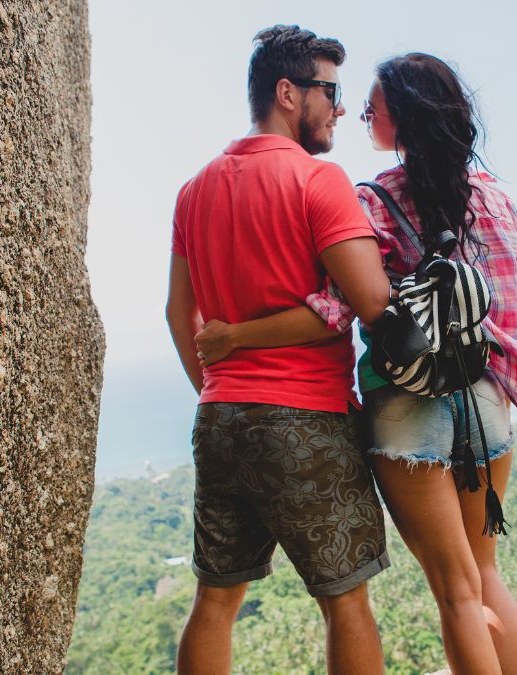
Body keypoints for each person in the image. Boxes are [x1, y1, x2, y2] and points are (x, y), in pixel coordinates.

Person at [195, 53, 517, 674]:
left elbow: (341, 307)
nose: (362, 113)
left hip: (407, 405)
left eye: (374, 107)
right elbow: (515, 309)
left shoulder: (374, 201)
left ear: (402, 116)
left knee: (455, 591)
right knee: (486, 573)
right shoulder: (494, 199)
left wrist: (235, 337)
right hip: (486, 394)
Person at [164, 25, 394, 675]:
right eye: (331, 91)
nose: (341, 108)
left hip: (219, 417)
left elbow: (178, 312)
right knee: (346, 602)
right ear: (288, 92)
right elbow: (370, 301)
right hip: (305, 418)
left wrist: (219, 385)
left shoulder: (194, 189)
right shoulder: (318, 181)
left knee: (215, 600)